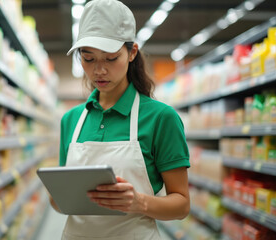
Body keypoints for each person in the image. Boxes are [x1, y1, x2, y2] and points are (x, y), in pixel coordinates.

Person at [51, 0, 191, 239]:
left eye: (111, 58)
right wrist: (59, 197)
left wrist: (139, 203)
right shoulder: (71, 120)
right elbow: (59, 203)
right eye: (88, 58)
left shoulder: (160, 118)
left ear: (132, 53)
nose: (99, 70)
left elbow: (182, 205)